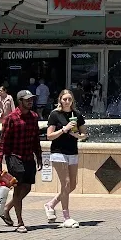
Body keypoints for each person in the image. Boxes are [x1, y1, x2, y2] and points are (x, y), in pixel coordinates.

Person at [0, 90, 42, 233]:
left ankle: (6, 209)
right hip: (14, 156)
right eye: (27, 100)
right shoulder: (11, 118)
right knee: (18, 186)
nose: (30, 102)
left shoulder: (34, 117)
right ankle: (20, 222)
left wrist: (39, 156)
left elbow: (35, 139)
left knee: (27, 187)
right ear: (20, 101)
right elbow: (2, 142)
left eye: (31, 99)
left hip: (28, 156)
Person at [44, 89, 87, 228]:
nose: (67, 102)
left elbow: (84, 134)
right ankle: (66, 217)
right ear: (60, 100)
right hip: (58, 152)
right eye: (64, 99)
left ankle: (51, 204)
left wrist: (78, 136)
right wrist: (64, 129)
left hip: (72, 151)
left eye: (69, 99)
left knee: (72, 184)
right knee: (66, 183)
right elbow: (49, 136)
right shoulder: (55, 115)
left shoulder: (77, 114)